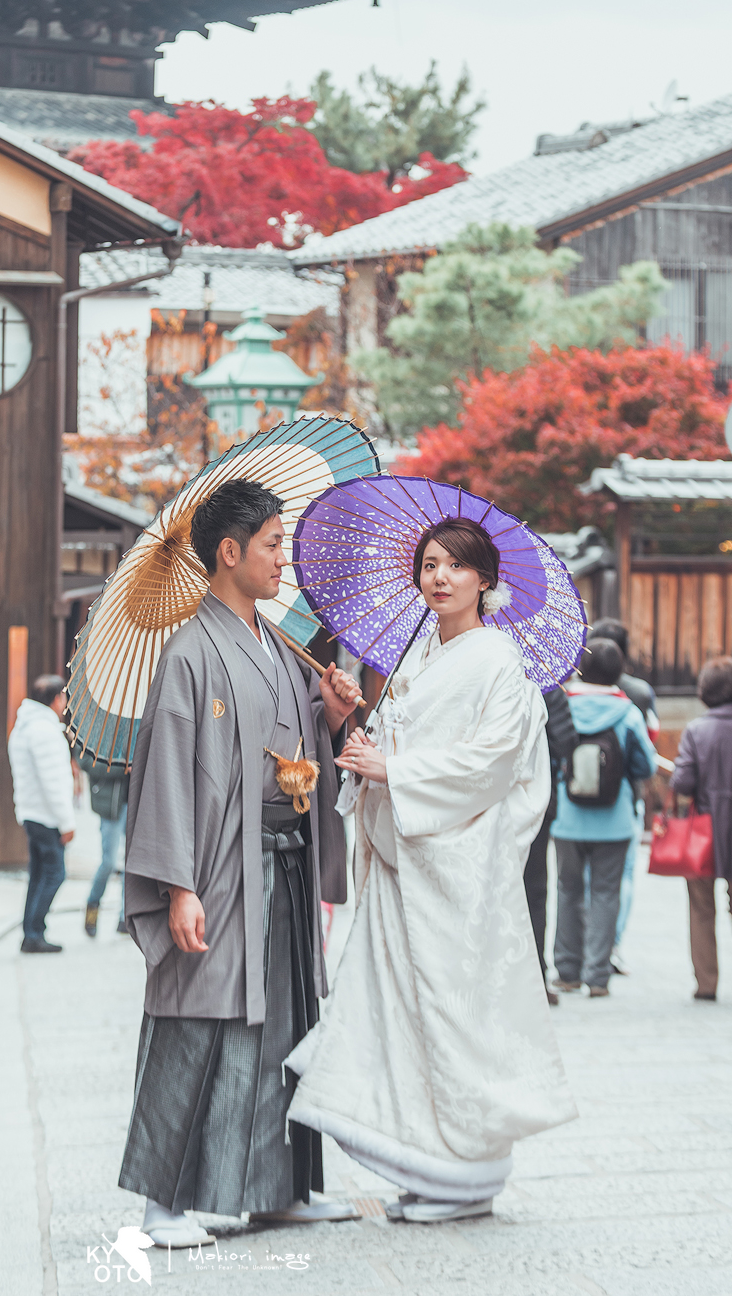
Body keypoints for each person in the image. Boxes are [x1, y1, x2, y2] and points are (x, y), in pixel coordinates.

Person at [286, 517, 576, 1225]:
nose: (439, 577)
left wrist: (396, 768)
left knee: (453, 1015)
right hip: (405, 862)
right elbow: (390, 746)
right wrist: (356, 729)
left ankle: (466, 1170)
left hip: (458, 870)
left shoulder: (499, 663)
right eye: (429, 565)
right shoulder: (418, 655)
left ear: (486, 580)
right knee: (401, 1014)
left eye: (456, 566)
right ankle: (428, 1163)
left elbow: (491, 763)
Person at [119, 479, 362, 1247]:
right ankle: (163, 1201)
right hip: (220, 868)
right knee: (196, 1021)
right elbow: (164, 775)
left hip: (283, 862)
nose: (282, 558)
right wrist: (178, 887)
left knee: (285, 1023)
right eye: (271, 545)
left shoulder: (277, 645)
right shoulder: (191, 653)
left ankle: (279, 1189)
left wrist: (327, 714)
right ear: (230, 552)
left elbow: (294, 746)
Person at [550, 639, 657, 996]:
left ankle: (567, 970)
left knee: (568, 889)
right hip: (614, 819)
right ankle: (597, 976)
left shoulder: (562, 704)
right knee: (606, 892)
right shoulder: (627, 712)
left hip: (567, 815)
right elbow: (645, 765)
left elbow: (550, 756)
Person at [586, 619, 660, 969]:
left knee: (575, 883)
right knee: (620, 878)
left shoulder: (569, 695)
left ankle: (577, 953)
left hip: (571, 805)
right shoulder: (639, 695)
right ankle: (609, 947)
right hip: (622, 799)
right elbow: (648, 753)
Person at [671, 655, 732, 1001]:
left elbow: (683, 782)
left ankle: (707, 984)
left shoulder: (697, 730)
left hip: (704, 831)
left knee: (701, 907)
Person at [8, 674, 75, 954]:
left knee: (38, 874)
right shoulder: (44, 731)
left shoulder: (25, 727)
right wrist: (67, 822)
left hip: (31, 812)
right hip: (46, 815)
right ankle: (34, 932)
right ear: (57, 698)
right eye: (65, 697)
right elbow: (52, 782)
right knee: (55, 873)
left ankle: (31, 932)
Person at [524, 684, 577, 1004]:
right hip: (530, 800)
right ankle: (535, 978)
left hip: (476, 800)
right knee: (532, 889)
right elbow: (565, 741)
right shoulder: (543, 684)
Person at [82, 760, 129, 937]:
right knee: (108, 862)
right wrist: (123, 768)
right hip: (111, 805)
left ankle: (125, 916)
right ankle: (92, 907)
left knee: (130, 863)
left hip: (135, 802)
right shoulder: (104, 734)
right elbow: (86, 762)